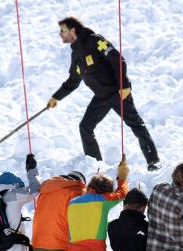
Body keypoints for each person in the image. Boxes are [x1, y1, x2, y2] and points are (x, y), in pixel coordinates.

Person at [47, 17, 160, 171]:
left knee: (135, 124)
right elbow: (73, 80)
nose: (60, 34)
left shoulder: (95, 41)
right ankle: (95, 166)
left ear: (73, 30)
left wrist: (124, 85)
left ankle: (153, 160)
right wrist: (56, 97)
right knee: (85, 127)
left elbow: (118, 60)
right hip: (101, 96)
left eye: (63, 30)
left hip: (117, 92)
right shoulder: (76, 54)